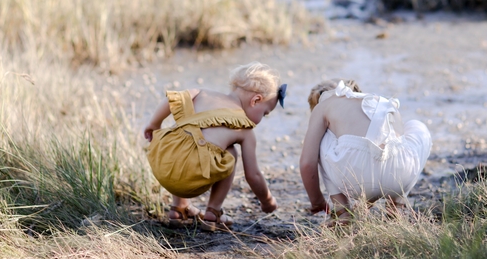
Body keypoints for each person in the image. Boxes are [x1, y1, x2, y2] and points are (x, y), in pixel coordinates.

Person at [144, 62, 285, 231]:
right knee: (230, 153)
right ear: (256, 100)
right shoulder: (245, 130)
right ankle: (213, 211)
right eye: (265, 113)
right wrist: (267, 201)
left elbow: (170, 99)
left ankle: (179, 207)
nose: (263, 118)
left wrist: (154, 124)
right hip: (190, 179)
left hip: (162, 163)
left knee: (183, 137)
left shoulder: (202, 93)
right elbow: (253, 175)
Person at [299, 79, 432, 223]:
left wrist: (317, 201)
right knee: (412, 128)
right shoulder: (376, 99)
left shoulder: (323, 107)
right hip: (401, 176)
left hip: (357, 177)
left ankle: (342, 211)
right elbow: (377, 161)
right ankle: (396, 205)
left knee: (321, 139)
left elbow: (307, 163)